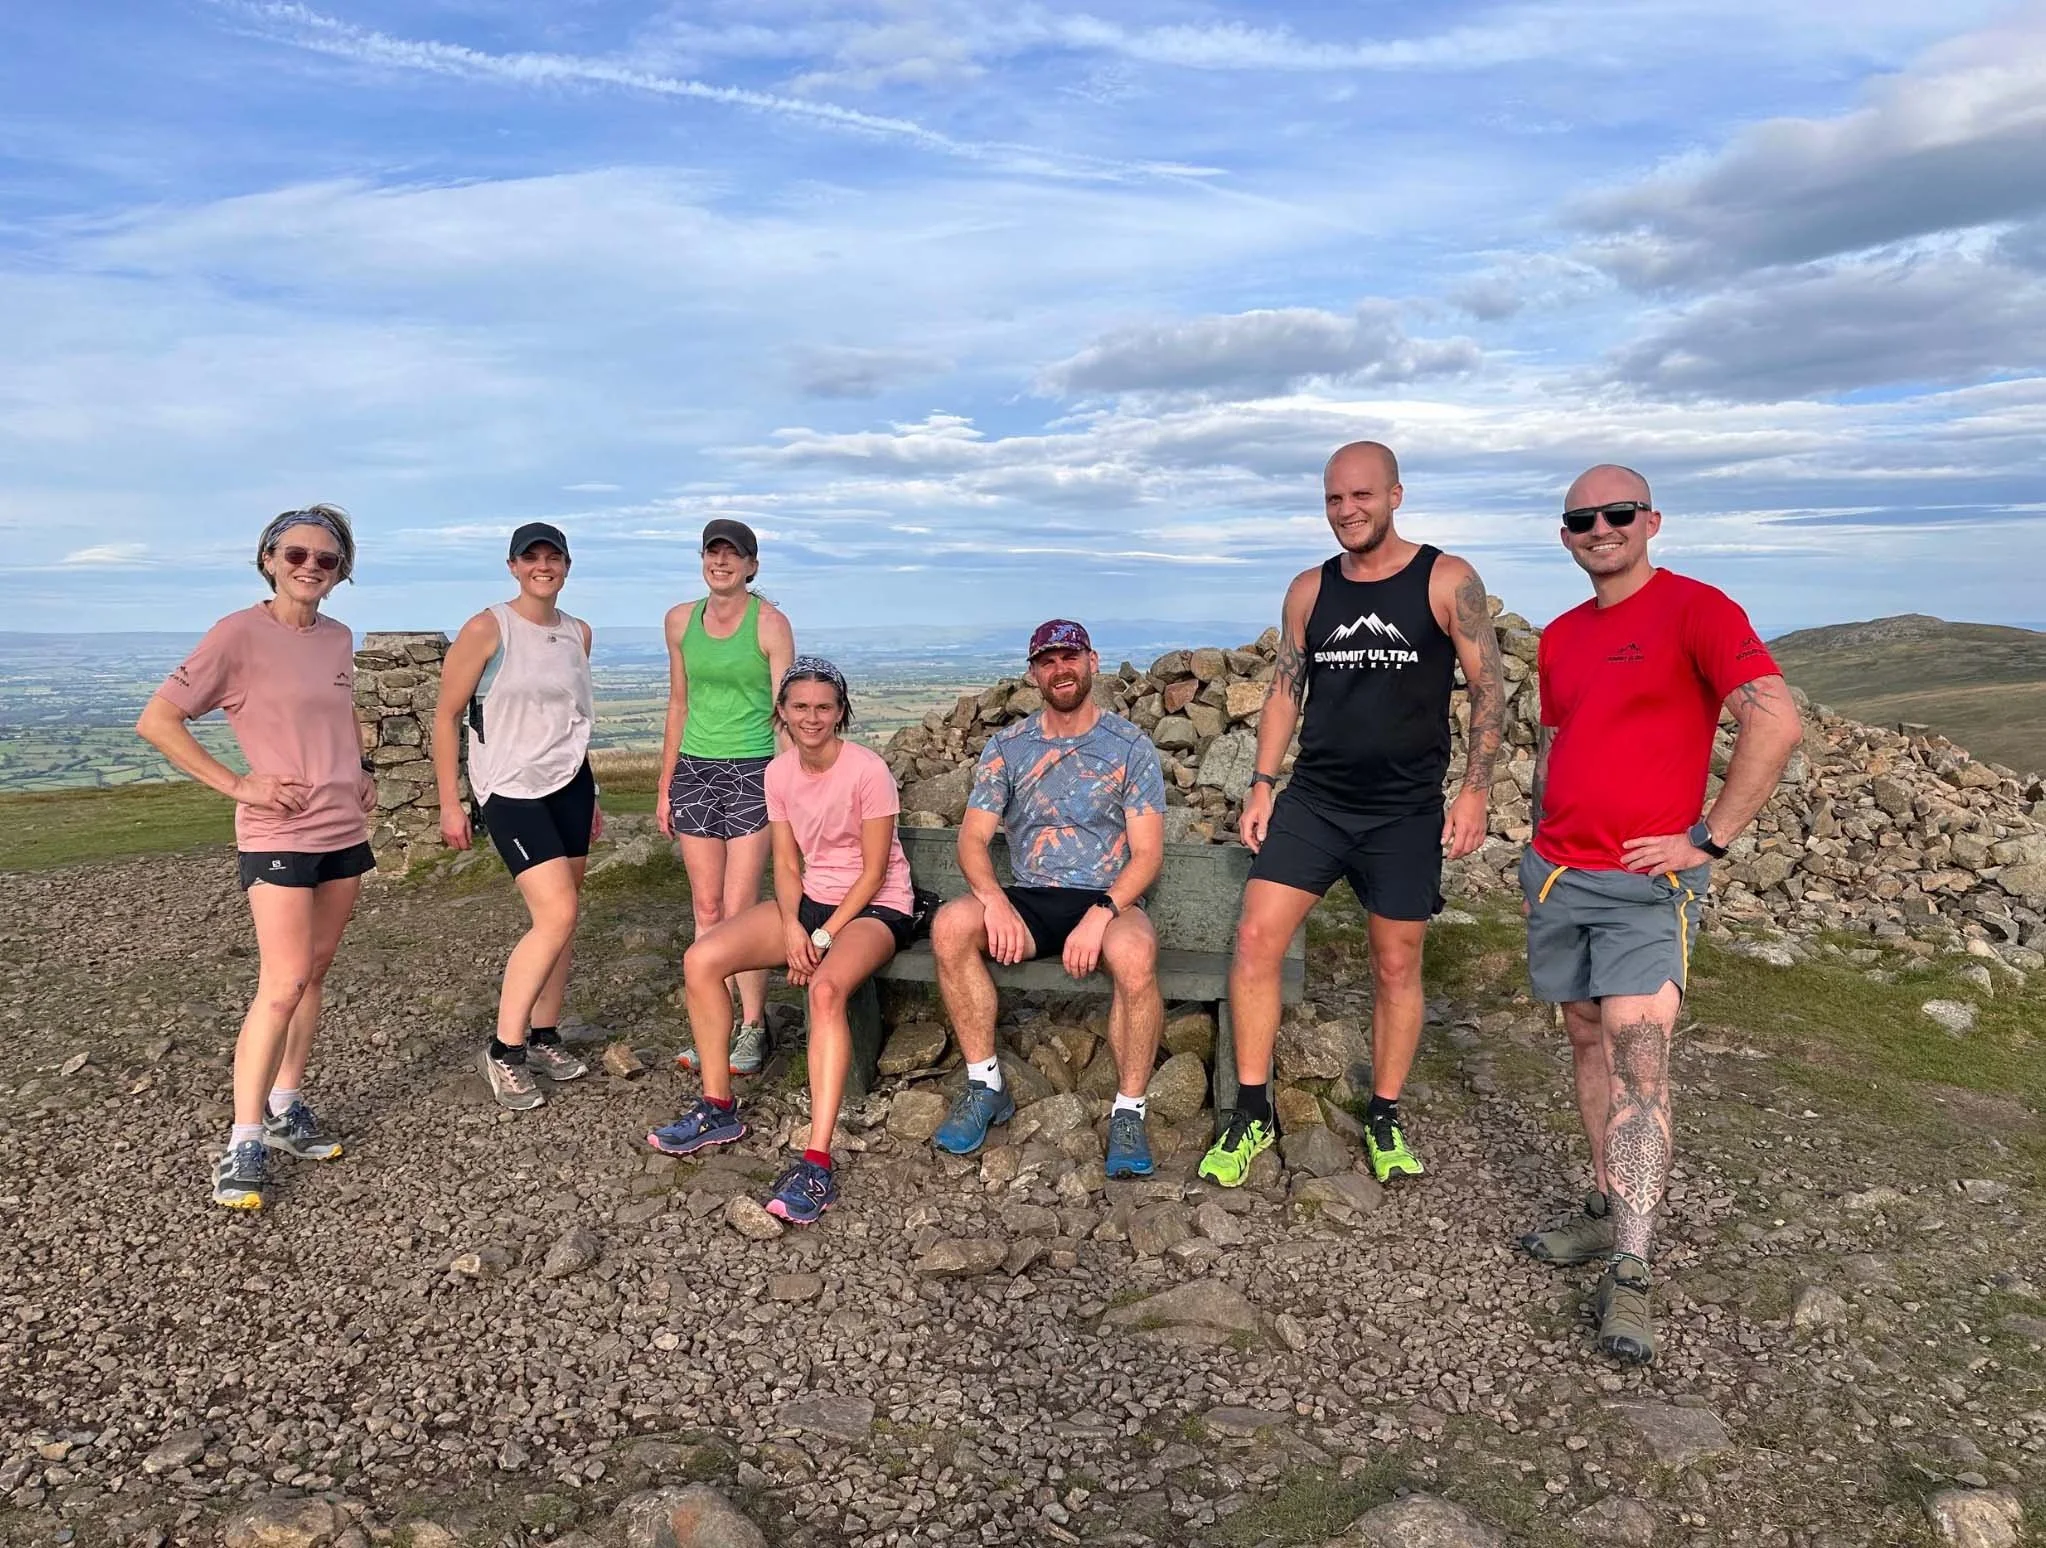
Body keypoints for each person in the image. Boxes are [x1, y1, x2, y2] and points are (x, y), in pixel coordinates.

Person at [1517, 464, 1800, 1365]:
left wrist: (1707, 841)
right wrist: (1538, 833)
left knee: (1642, 1059)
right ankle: (1606, 1207)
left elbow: (1776, 720)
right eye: (1581, 518)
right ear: (1565, 535)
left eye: (1617, 513)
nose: (1600, 528)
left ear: (1651, 521)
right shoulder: (1560, 635)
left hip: (1648, 886)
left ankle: (1630, 1273)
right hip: (1560, 875)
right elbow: (1558, 739)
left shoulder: (1696, 611)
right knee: (1587, 1039)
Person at [1201, 441, 1507, 1189]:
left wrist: (1475, 789)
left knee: (1396, 963)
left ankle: (1384, 1112)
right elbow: (1284, 690)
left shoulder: (1447, 579)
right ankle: (1251, 1110)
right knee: (1253, 939)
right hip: (1316, 800)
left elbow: (1489, 688)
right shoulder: (1310, 590)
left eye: (1362, 496)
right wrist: (1262, 783)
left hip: (1404, 810)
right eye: (1335, 499)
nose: (1347, 511)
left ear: (1396, 495)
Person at [136, 505, 375, 1210]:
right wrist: (239, 784)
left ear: (341, 572)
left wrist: (360, 766)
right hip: (277, 834)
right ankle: (243, 1141)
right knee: (283, 979)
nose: (310, 567)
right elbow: (158, 719)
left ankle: (285, 1106)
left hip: (341, 828)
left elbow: (339, 708)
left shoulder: (337, 637)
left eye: (326, 560)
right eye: (295, 554)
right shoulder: (238, 634)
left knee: (315, 972)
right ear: (269, 558)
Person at [647, 658, 915, 1224]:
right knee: (702, 958)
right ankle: (718, 1105)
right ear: (783, 713)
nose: (811, 717)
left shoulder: (868, 770)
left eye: (823, 707)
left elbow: (872, 873)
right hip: (811, 904)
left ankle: (816, 1162)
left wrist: (818, 937)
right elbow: (788, 864)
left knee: (823, 992)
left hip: (875, 909)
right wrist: (794, 927)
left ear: (841, 711)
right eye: (800, 707)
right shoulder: (779, 773)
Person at [928, 620, 1168, 1177]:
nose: (1060, 669)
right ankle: (985, 1085)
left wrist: (1101, 913)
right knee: (949, 927)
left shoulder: (1130, 747)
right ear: (1034, 673)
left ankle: (1129, 1113)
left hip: (1109, 901)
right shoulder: (1008, 747)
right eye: (1047, 661)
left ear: (1092, 662)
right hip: (1030, 898)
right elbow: (972, 838)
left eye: (1070, 657)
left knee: (1135, 957)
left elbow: (1148, 854)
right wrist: (994, 901)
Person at [433, 522, 602, 1110]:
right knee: (556, 913)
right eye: (531, 558)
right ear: (512, 566)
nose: (543, 566)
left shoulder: (579, 633)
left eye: (553, 557)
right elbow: (447, 714)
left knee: (567, 919)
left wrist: (594, 792)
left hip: (571, 787)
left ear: (567, 565)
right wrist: (451, 801)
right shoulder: (488, 627)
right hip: (509, 789)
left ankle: (545, 1034)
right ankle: (503, 1050)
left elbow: (575, 719)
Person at [659, 519, 794, 1079]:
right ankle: (711, 1027)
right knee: (706, 908)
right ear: (703, 560)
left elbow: (786, 711)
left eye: (733, 555)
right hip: (694, 769)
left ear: (752, 566)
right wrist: (666, 785)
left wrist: (793, 791)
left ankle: (753, 1026)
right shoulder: (678, 621)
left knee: (740, 911)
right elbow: (678, 702)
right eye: (713, 553)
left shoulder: (770, 624)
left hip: (754, 771)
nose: (722, 562)